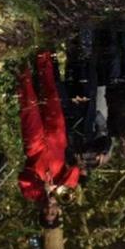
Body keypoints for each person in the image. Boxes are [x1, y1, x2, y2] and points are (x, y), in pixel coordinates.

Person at [17, 51, 82, 228]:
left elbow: (22, 176)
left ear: (41, 212)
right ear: (59, 211)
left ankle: (22, 66)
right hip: (57, 141)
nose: (49, 209)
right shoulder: (67, 191)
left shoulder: (31, 194)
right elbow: (75, 170)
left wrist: (42, 188)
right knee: (52, 96)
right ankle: (42, 58)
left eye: (46, 213)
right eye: (53, 212)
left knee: (28, 106)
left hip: (35, 146)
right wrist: (59, 186)